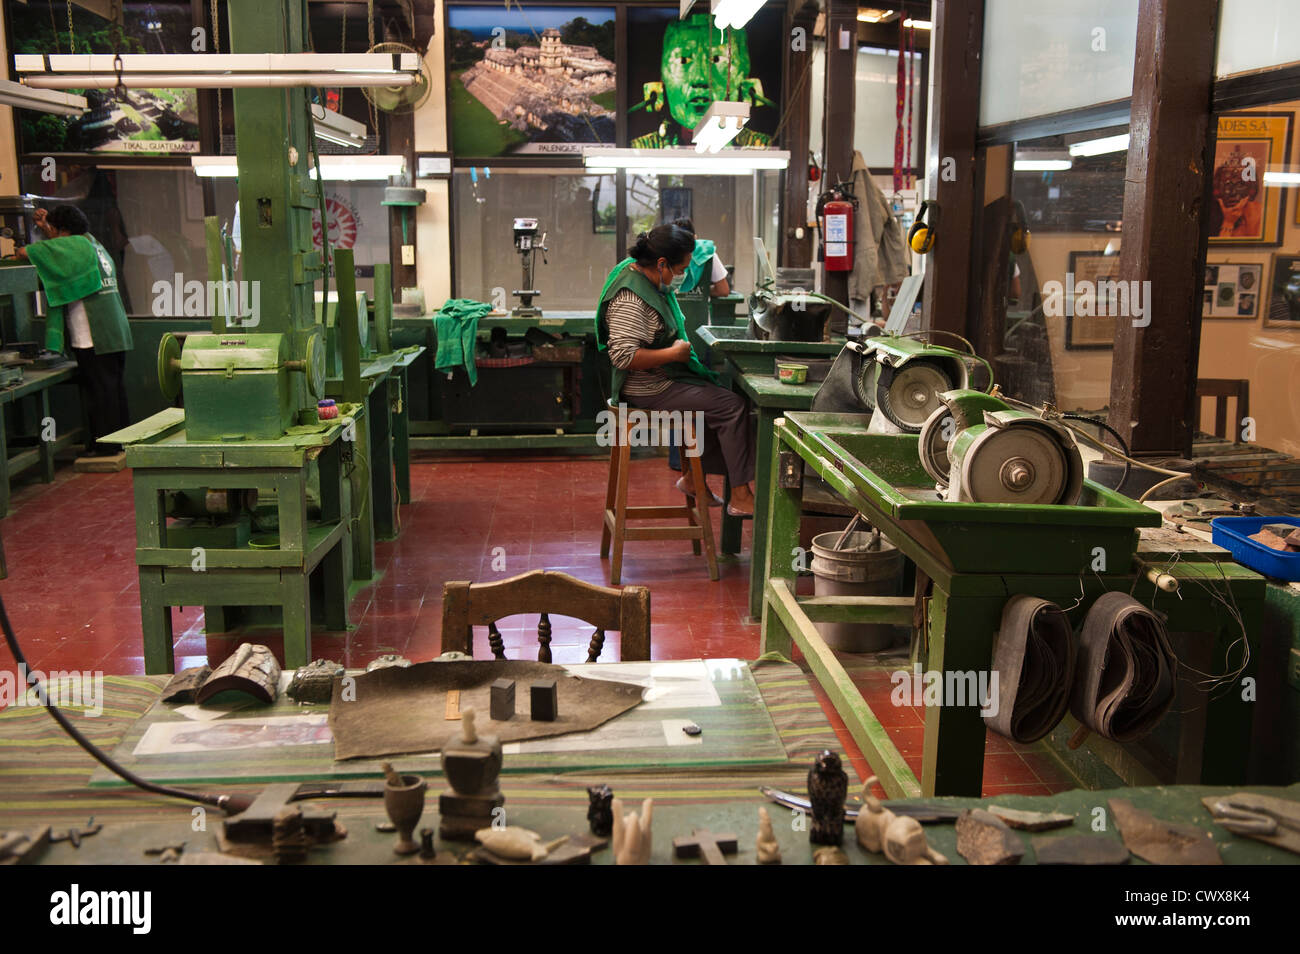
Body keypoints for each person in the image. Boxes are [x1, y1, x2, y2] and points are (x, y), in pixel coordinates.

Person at [596, 224, 757, 517]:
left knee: (715, 398)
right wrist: (673, 353)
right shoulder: (631, 298)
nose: (680, 276)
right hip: (644, 387)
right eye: (680, 270)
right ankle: (741, 495)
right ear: (661, 263)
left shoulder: (646, 279)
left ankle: (694, 478)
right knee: (731, 406)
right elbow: (622, 356)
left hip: (659, 379)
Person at [13, 205, 133, 455]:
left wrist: (33, 244)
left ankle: (105, 448)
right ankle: (119, 442)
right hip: (114, 331)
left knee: (99, 393)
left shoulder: (73, 245)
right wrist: (49, 228)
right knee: (113, 390)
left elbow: (25, 252)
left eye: (54, 230)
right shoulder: (92, 243)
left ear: (63, 230)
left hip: (93, 334)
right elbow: (58, 250)